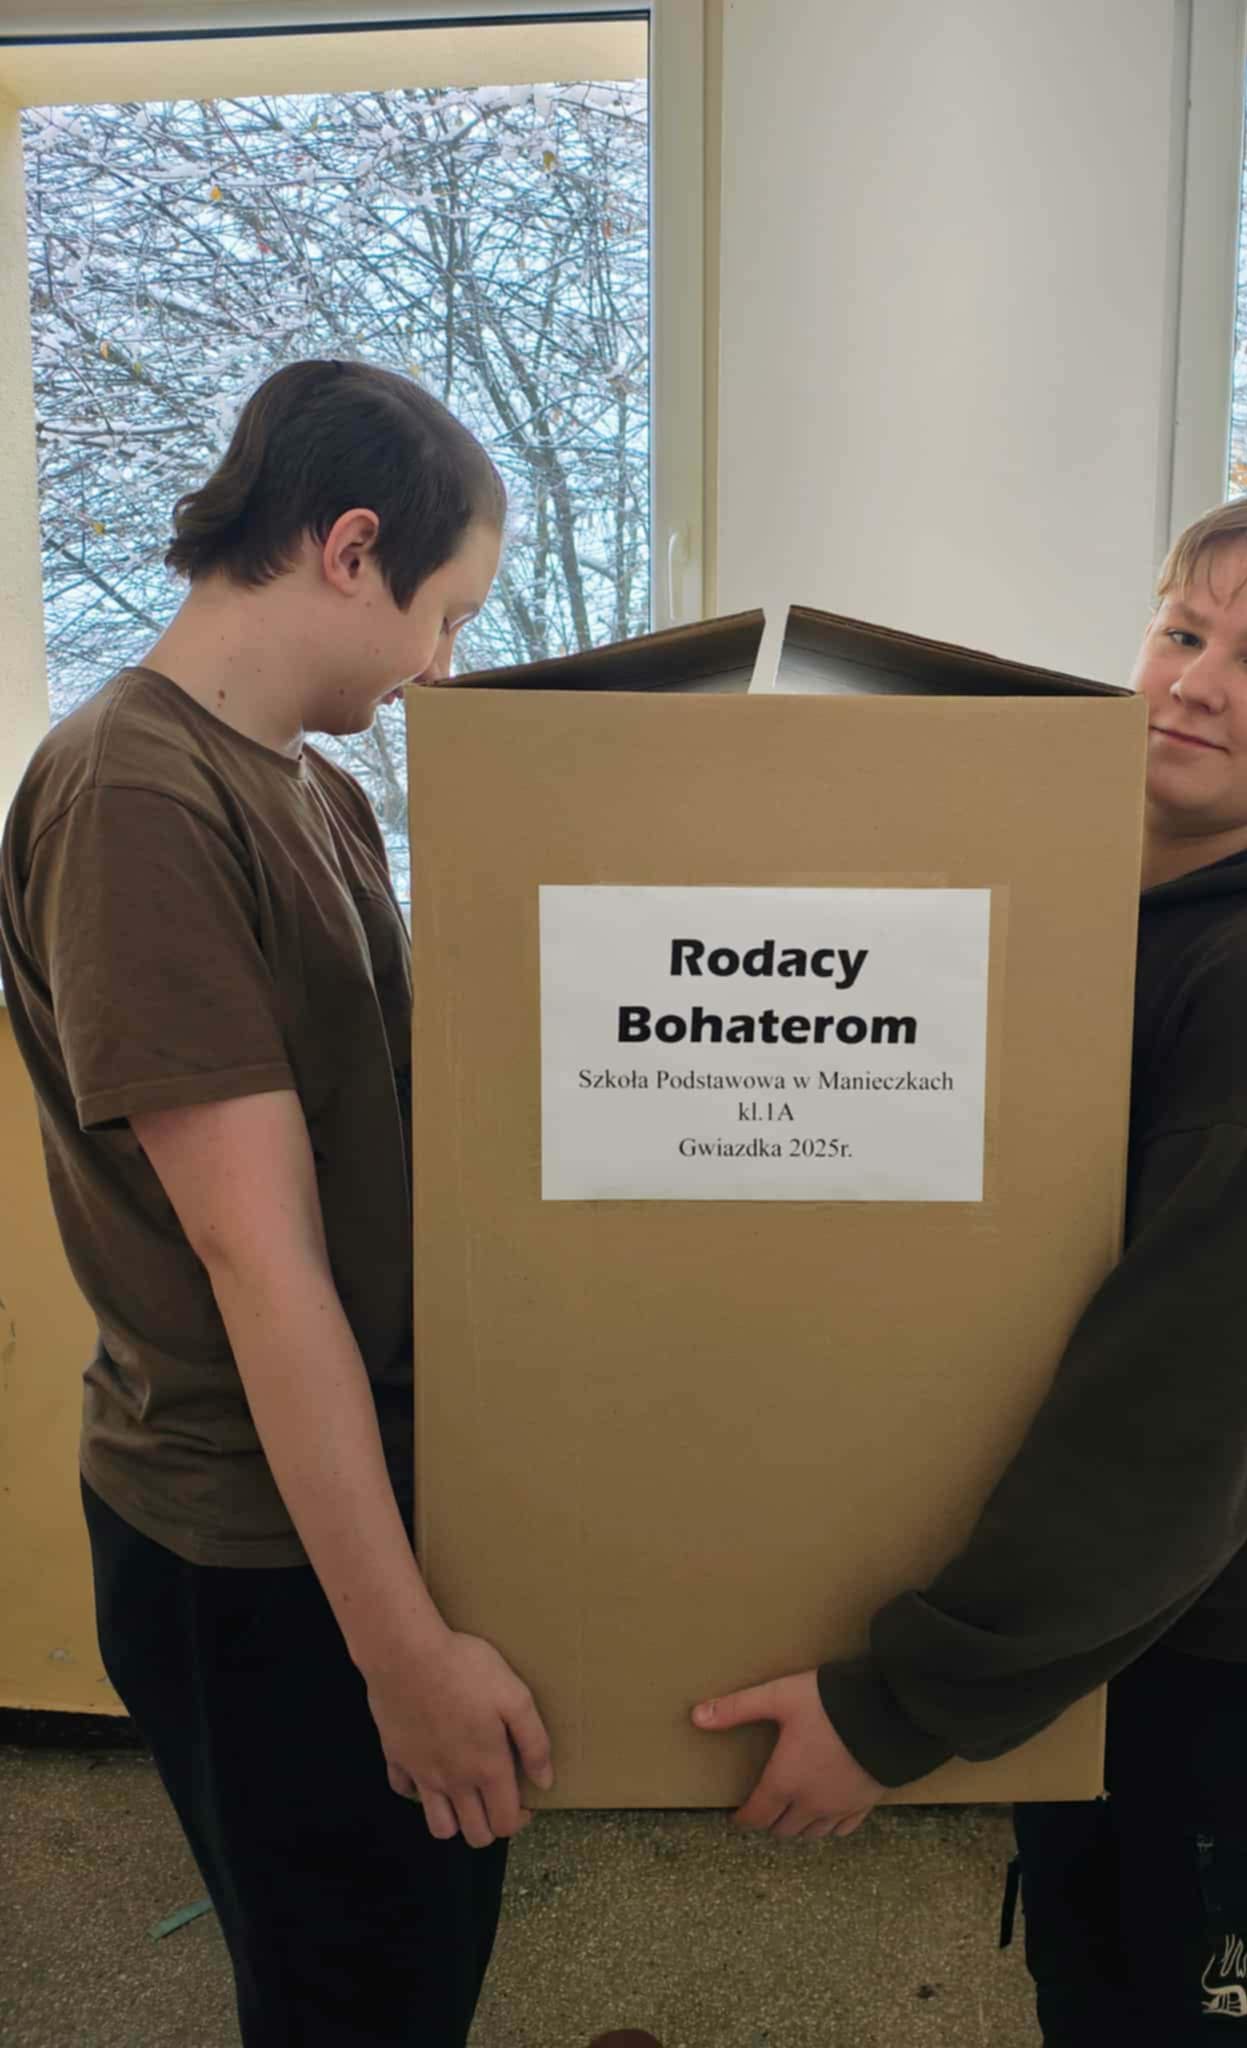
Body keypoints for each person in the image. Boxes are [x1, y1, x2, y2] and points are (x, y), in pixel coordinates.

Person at [693, 487, 1247, 2042]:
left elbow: (1190, 1391)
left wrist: (904, 1704)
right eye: (1182, 633)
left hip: (1243, 1613)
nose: (1195, 683)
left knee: (1209, 2013)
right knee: (1100, 1976)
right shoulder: (1111, 910)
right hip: (1135, 1593)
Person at [1, 359, 551, 2048]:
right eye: (444, 615)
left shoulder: (315, 789)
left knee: (419, 1962)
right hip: (247, 1541)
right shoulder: (135, 795)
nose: (440, 662)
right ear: (352, 548)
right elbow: (260, 1258)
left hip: (361, 1493)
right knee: (350, 2003)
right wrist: (404, 1656)